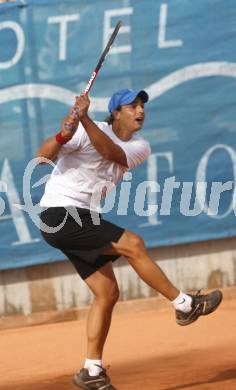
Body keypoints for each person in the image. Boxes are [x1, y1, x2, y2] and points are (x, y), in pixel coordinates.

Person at [36, 88, 223, 390]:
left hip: (81, 217)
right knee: (133, 244)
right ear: (116, 113)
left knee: (107, 292)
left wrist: (84, 120)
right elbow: (41, 158)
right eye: (132, 106)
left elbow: (112, 154)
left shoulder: (139, 145)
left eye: (141, 106)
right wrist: (63, 134)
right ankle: (185, 304)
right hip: (59, 214)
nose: (140, 111)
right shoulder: (84, 132)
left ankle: (91, 371)